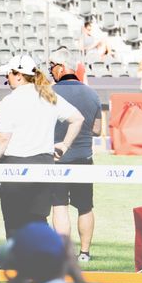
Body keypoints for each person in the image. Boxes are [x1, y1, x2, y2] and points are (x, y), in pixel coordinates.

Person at [0, 56, 83, 238]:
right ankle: (41, 264)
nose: (7, 78)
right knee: (38, 220)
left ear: (19, 76)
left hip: (15, 167)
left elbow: (2, 137)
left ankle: (20, 264)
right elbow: (77, 119)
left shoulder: (11, 100)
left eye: (9, 73)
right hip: (44, 165)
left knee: (15, 223)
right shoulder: (49, 96)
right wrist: (64, 145)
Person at [46, 52, 103, 265]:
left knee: (59, 205)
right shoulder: (92, 94)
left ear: (61, 67)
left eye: (52, 66)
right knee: (85, 206)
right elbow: (97, 130)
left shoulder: (48, 92)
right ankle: (85, 253)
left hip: (56, 159)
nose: (50, 70)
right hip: (83, 158)